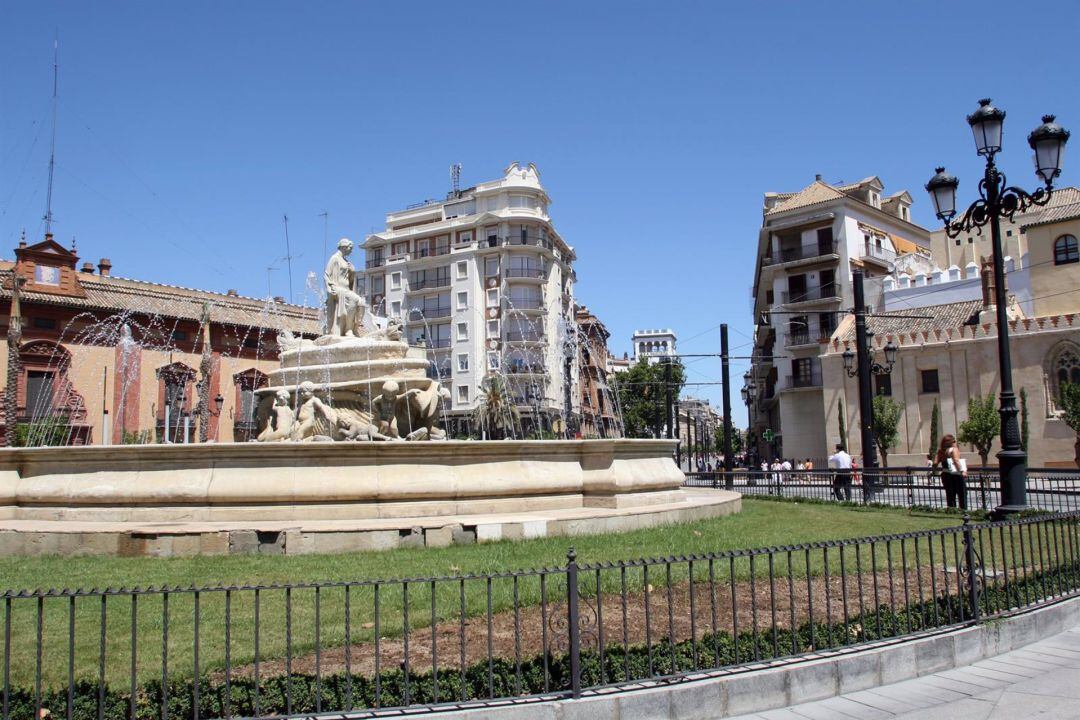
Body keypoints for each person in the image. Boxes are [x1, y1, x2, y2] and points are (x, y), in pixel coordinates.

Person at [934, 433, 968, 509]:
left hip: (945, 475)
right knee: (962, 493)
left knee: (950, 494)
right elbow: (956, 461)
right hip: (956, 474)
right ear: (952, 442)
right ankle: (963, 510)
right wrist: (962, 471)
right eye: (955, 441)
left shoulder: (940, 451)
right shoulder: (954, 450)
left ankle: (952, 510)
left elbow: (935, 463)